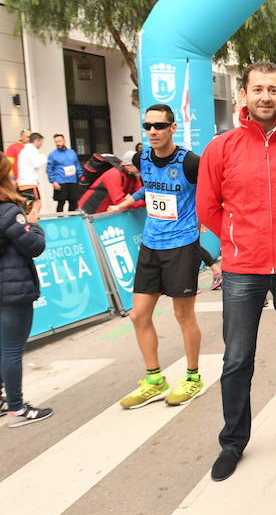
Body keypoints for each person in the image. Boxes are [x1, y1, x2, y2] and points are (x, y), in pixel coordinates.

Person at [198, 61, 276, 482]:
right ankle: (233, 441)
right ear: (244, 96)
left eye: (273, 90)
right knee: (237, 359)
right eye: (258, 89)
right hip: (242, 271)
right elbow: (208, 207)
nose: (266, 97)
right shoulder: (222, 147)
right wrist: (238, 238)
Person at [106, 105, 206, 410]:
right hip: (151, 244)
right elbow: (148, 190)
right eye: (148, 126)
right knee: (138, 315)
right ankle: (154, 379)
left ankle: (192, 377)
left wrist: (203, 221)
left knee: (183, 315)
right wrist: (126, 202)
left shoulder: (190, 162)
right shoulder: (141, 158)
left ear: (172, 128)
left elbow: (210, 193)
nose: (152, 131)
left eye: (159, 126)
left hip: (182, 245)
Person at [0, 154, 52, 427]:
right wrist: (34, 222)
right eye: (9, 173)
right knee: (11, 351)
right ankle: (17, 409)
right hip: (11, 289)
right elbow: (33, 246)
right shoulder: (8, 211)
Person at [78, 151, 144, 214]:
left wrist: (144, 202)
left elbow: (139, 194)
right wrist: (143, 203)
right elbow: (118, 201)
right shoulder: (114, 174)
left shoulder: (133, 175)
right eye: (138, 165)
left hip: (106, 210)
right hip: (90, 209)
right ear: (128, 165)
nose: (141, 168)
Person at [46, 134, 82, 212]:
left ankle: (71, 220)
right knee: (61, 203)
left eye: (59, 141)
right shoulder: (53, 154)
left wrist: (81, 177)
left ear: (64, 141)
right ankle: (60, 221)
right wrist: (53, 181)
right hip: (60, 182)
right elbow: (49, 169)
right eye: (56, 142)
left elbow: (77, 165)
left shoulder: (72, 152)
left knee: (73, 202)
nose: (58, 143)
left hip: (72, 181)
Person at [16, 133, 46, 213]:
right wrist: (43, 157)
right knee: (36, 204)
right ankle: (32, 222)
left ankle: (27, 222)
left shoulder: (23, 151)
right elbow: (36, 163)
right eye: (41, 142)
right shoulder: (32, 150)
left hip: (22, 183)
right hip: (30, 182)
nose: (41, 144)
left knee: (25, 207)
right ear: (37, 141)